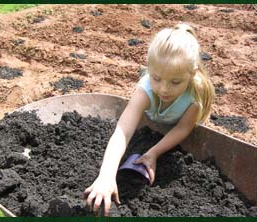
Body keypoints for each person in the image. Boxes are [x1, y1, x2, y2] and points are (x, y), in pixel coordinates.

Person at [84, 23, 214, 216]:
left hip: (176, 125)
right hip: (154, 119)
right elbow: (123, 131)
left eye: (175, 82)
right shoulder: (145, 92)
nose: (164, 89)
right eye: (156, 78)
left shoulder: (196, 95)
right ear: (149, 70)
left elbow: (182, 129)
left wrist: (153, 153)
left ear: (192, 74)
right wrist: (106, 175)